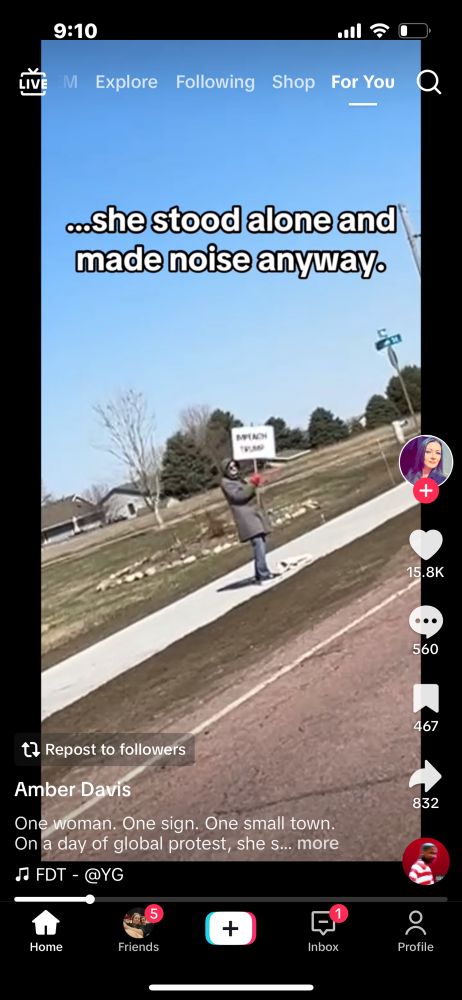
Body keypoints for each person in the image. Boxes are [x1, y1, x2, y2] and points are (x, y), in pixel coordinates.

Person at [220, 458, 275, 583]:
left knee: (261, 542)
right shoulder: (226, 483)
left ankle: (259, 574)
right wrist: (252, 484)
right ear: (225, 470)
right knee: (258, 543)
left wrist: (254, 484)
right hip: (246, 518)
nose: (234, 469)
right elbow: (239, 496)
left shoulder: (238, 479)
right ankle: (263, 574)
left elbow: (248, 491)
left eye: (235, 466)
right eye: (230, 467)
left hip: (253, 514)